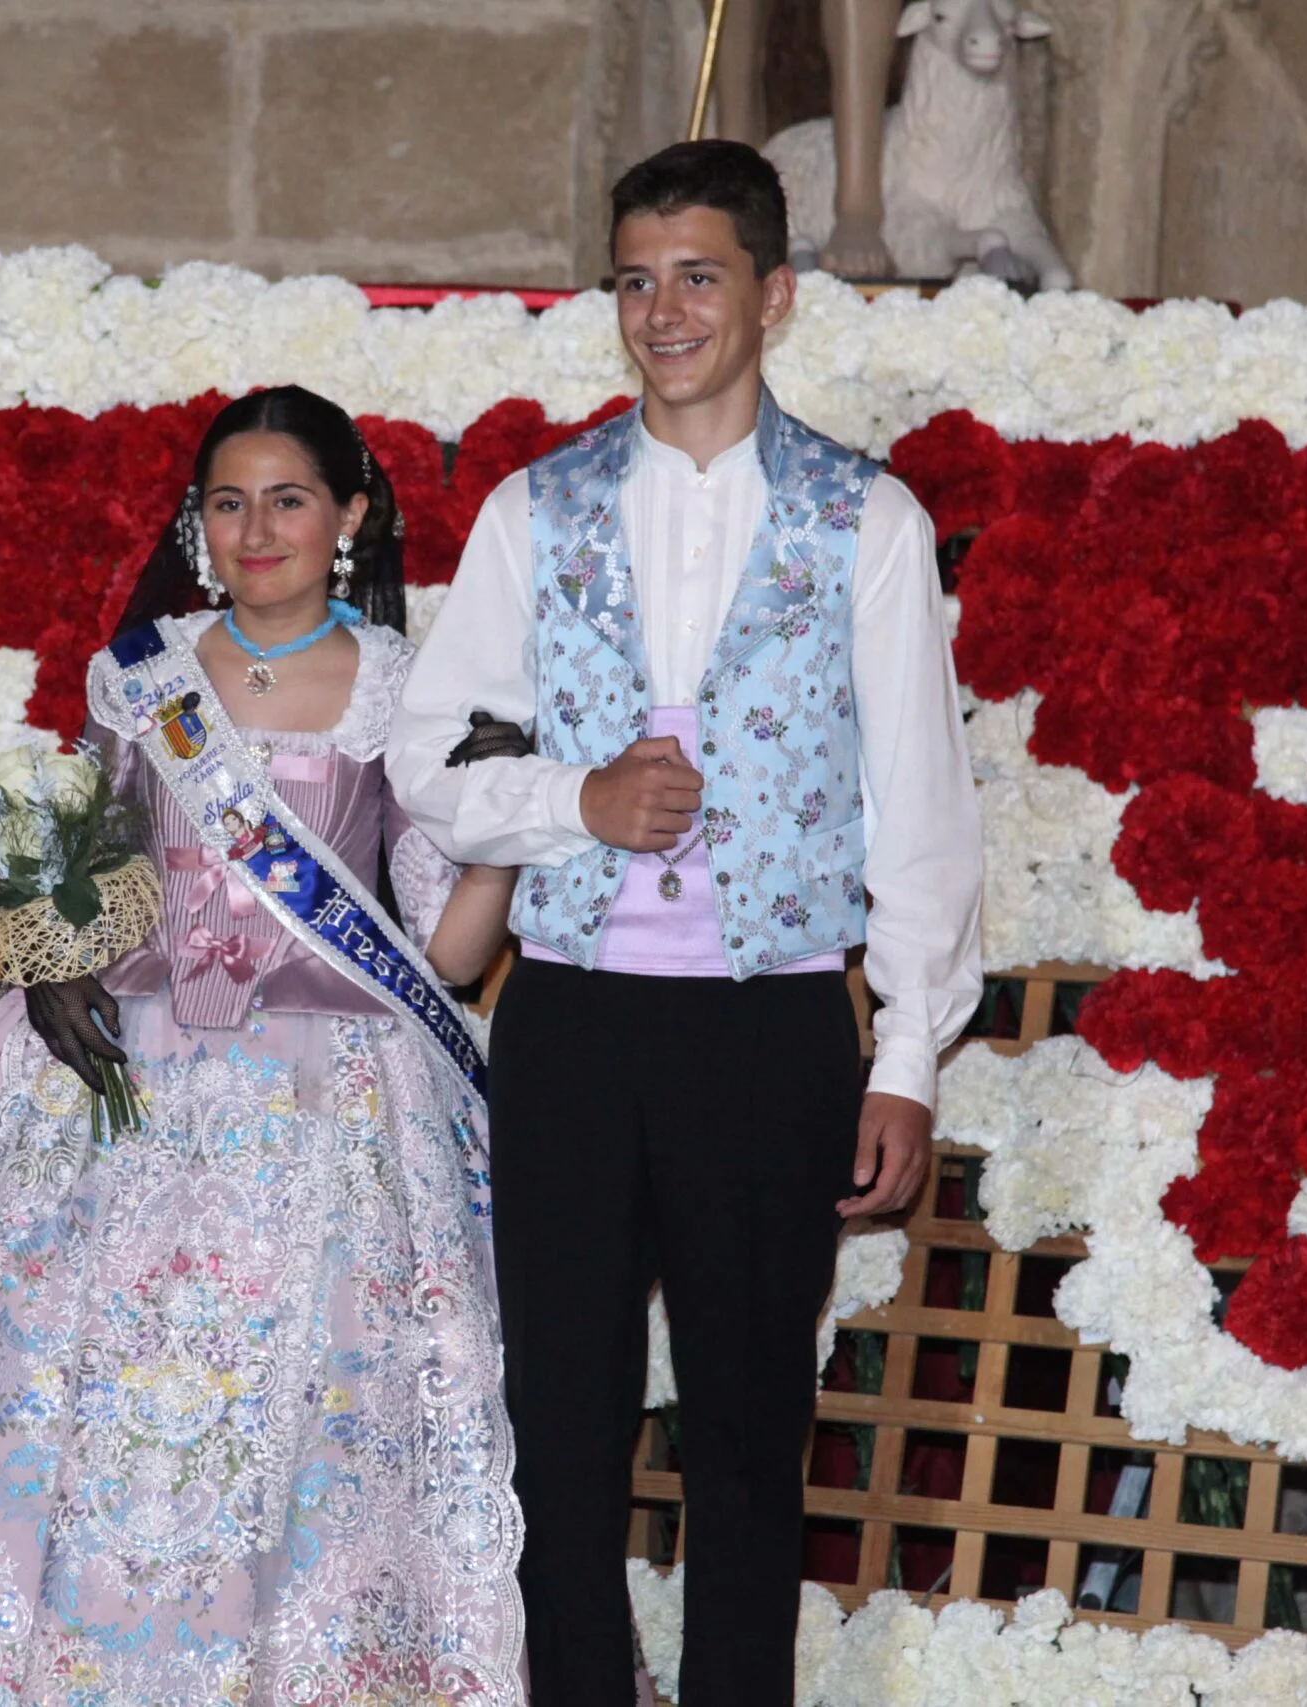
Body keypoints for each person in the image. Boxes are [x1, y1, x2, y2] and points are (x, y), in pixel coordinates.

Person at [0, 386, 527, 1706]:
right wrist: (50, 961)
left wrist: (499, 817)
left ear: (351, 515)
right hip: (112, 1093)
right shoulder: (141, 673)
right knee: (62, 1391)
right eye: (229, 502)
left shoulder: (407, 689)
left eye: (290, 498)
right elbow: (88, 870)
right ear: (198, 522)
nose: (258, 529)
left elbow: (454, 952)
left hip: (336, 1108)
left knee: (298, 1416)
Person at [387, 140, 983, 1706]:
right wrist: (575, 802)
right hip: (574, 1020)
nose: (664, 311)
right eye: (637, 279)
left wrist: (908, 1051)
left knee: (742, 1441)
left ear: (775, 296)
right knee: (560, 1432)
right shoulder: (541, 506)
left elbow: (922, 813)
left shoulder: (870, 522)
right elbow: (429, 757)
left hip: (770, 1024)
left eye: (699, 275)